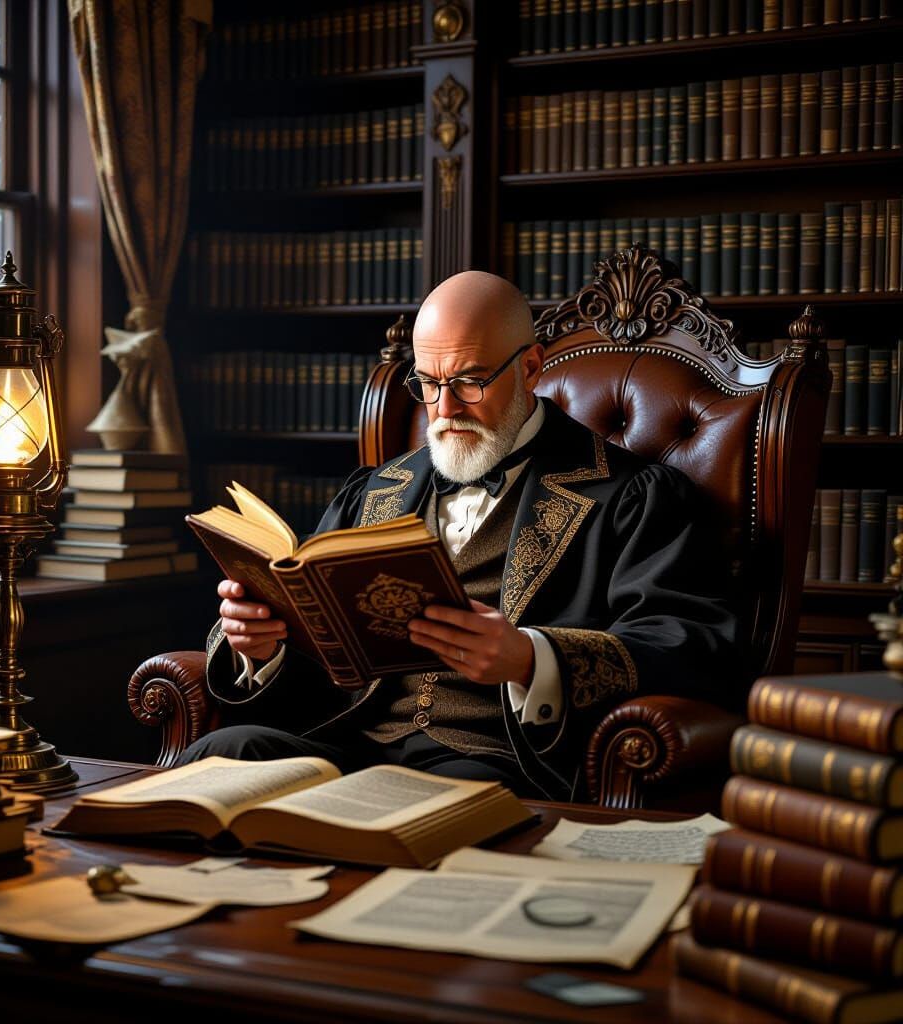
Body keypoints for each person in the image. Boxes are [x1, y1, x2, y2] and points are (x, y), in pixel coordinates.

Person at [177, 270, 743, 799]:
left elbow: (692, 644)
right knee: (220, 758)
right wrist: (262, 645)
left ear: (530, 368)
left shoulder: (635, 495)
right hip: (353, 744)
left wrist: (530, 658)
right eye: (427, 383)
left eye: (470, 382)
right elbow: (323, 647)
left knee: (430, 803)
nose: (443, 409)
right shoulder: (376, 489)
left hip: (503, 759)